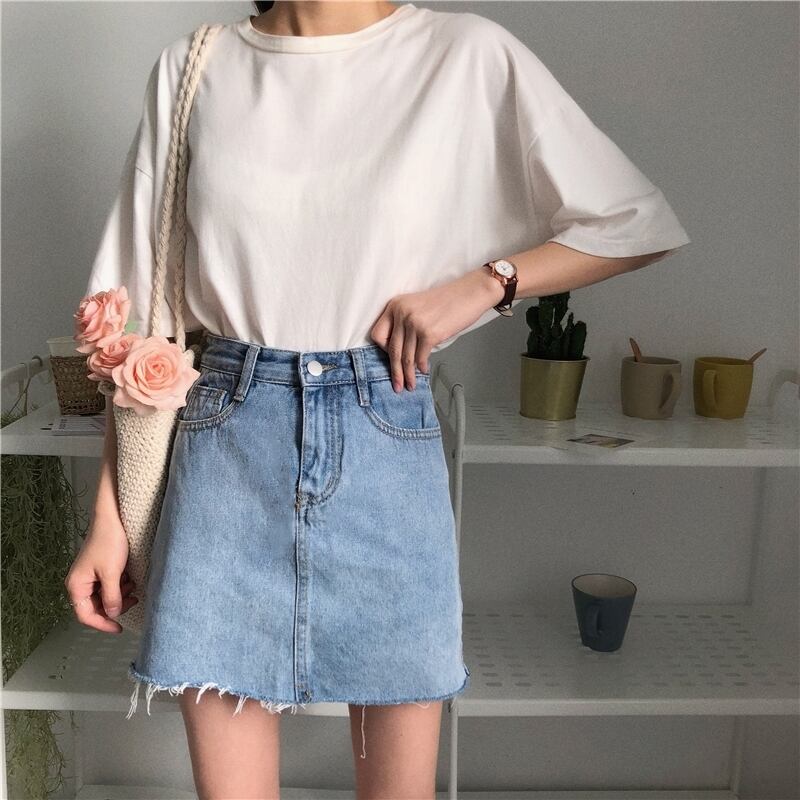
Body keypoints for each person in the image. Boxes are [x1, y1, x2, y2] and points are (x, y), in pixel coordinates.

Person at [65, 1, 691, 797]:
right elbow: (139, 325)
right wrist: (109, 521)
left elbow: (634, 222)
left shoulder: (464, 54)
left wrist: (488, 284)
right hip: (225, 445)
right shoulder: (197, 69)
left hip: (383, 435)